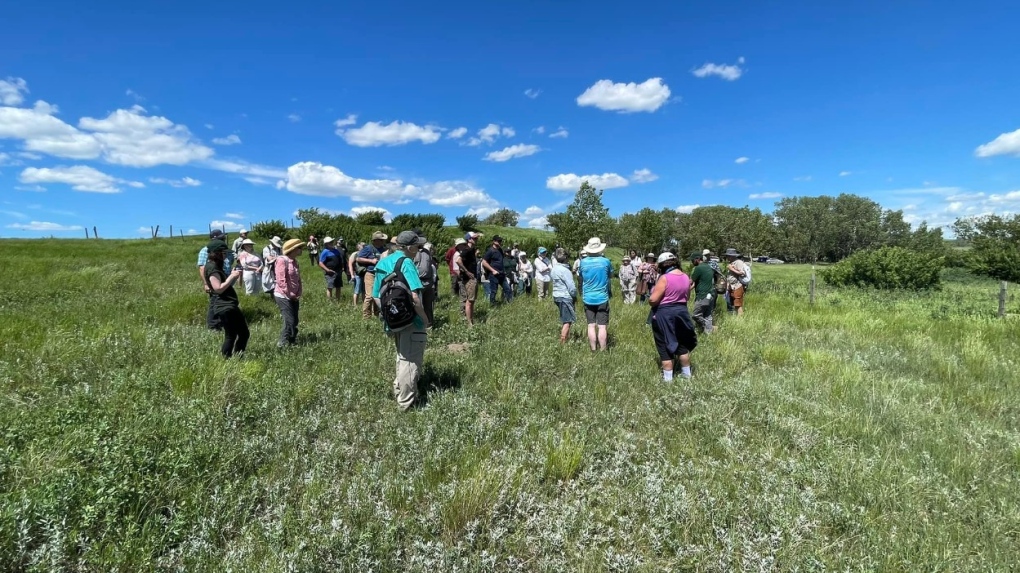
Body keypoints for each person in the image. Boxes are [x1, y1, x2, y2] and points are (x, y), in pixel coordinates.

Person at [373, 231, 431, 411]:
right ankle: (406, 404)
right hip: (411, 320)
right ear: (409, 247)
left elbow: (375, 296)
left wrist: (390, 315)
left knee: (401, 356)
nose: (419, 250)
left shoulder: (383, 263)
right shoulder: (407, 263)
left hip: (392, 320)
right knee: (411, 361)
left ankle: (399, 390)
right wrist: (424, 319)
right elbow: (415, 296)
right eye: (418, 246)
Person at [649, 252, 697, 381]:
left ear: (662, 264)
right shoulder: (686, 277)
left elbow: (653, 300)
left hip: (665, 314)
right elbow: (687, 297)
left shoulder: (664, 278)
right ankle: (687, 376)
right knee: (682, 347)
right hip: (682, 313)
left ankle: (668, 381)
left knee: (665, 348)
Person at [203, 239, 249, 358]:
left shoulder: (213, 266)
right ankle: (231, 358)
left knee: (237, 334)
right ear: (216, 253)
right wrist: (232, 277)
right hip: (225, 306)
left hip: (228, 305)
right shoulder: (212, 268)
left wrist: (232, 276)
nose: (226, 256)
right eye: (224, 253)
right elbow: (218, 288)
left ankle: (233, 358)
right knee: (236, 334)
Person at [578, 237, 613, 351]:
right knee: (602, 326)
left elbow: (581, 276)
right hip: (602, 297)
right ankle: (603, 350)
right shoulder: (605, 261)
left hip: (588, 297)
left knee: (591, 325)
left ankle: (593, 349)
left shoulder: (583, 262)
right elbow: (610, 276)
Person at [197, 229, 233, 329]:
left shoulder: (224, 249)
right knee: (215, 301)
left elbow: (229, 262)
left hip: (225, 278)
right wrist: (206, 283)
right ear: (214, 239)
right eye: (222, 237)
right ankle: (214, 325)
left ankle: (223, 321)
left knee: (224, 301)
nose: (224, 239)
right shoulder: (206, 250)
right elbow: (202, 268)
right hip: (215, 279)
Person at [274, 238, 304, 347]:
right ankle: (281, 343)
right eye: (299, 248)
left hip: (294, 295)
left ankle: (292, 340)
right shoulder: (282, 260)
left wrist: (299, 290)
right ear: (293, 249)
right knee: (289, 320)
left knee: (295, 320)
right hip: (283, 295)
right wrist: (289, 293)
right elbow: (281, 280)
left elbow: (298, 278)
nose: (301, 250)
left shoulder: (295, 261)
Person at [357, 232, 388, 319]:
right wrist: (371, 261)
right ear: (376, 240)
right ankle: (366, 316)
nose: (383, 241)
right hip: (370, 274)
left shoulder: (384, 249)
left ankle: (377, 314)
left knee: (378, 295)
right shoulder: (368, 248)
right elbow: (358, 258)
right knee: (369, 296)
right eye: (382, 240)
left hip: (380, 274)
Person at [550, 247, 578, 343]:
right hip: (565, 296)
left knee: (565, 319)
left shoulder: (554, 269)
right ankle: (562, 342)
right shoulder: (566, 271)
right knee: (567, 321)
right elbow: (571, 287)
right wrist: (574, 296)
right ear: (566, 257)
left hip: (556, 296)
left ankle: (566, 338)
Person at [452, 234, 479, 326]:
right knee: (470, 301)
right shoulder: (467, 249)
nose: (476, 239)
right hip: (469, 278)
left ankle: (470, 320)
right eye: (474, 238)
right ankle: (469, 323)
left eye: (476, 238)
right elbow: (458, 261)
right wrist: (467, 272)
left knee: (471, 301)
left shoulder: (471, 250)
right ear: (469, 239)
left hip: (469, 277)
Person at [689, 252, 716, 333]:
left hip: (703, 295)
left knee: (696, 315)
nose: (692, 262)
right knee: (708, 315)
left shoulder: (698, 268)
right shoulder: (708, 267)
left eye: (692, 260)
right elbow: (699, 282)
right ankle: (708, 333)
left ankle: (709, 327)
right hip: (711, 295)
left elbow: (690, 281)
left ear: (697, 259)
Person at [413, 240, 437, 328]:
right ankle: (420, 326)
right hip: (417, 281)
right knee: (418, 305)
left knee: (429, 305)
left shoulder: (427, 252)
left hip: (428, 282)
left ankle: (429, 324)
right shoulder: (413, 252)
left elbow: (430, 265)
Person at [482, 235, 512, 304]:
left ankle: (510, 303)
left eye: (500, 241)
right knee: (494, 291)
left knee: (507, 289)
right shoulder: (490, 251)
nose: (500, 242)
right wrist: (493, 270)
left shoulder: (500, 250)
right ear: (494, 241)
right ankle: (492, 304)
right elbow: (484, 262)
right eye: (498, 241)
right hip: (494, 275)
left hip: (502, 274)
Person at [318, 236, 344, 301]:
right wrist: (327, 270)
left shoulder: (336, 251)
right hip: (330, 272)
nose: (331, 243)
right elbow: (320, 263)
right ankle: (329, 301)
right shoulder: (325, 252)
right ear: (326, 244)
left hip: (338, 271)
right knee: (330, 286)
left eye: (332, 242)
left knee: (338, 286)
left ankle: (338, 300)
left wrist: (342, 267)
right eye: (330, 242)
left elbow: (340, 259)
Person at [725, 247, 748, 316]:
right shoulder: (731, 263)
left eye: (728, 256)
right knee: (734, 303)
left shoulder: (738, 262)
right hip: (732, 286)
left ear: (732, 256)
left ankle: (740, 319)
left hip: (737, 285)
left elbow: (742, 273)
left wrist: (731, 269)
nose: (727, 257)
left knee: (738, 304)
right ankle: (736, 317)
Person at [348, 241, 366, 308]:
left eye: (364, 246)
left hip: (365, 274)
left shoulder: (366, 253)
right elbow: (350, 264)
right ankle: (355, 305)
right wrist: (352, 274)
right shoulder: (355, 254)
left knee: (364, 291)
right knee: (357, 290)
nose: (364, 247)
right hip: (358, 275)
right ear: (358, 247)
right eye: (362, 246)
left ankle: (365, 305)